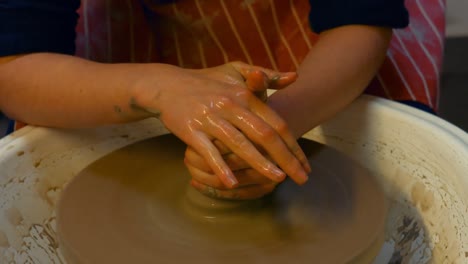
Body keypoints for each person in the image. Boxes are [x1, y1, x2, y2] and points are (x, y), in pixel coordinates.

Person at [0, 0, 442, 199]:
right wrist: (157, 87)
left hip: (325, 39)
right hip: (142, 36)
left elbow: (358, 21)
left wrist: (272, 127)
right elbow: (13, 65)